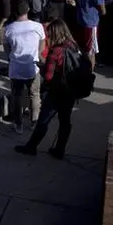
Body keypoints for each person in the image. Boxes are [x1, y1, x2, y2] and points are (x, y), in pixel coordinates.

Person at [14, 20, 80, 159]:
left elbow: (49, 77)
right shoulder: (73, 46)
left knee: (43, 121)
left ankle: (31, 146)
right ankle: (59, 150)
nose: (48, 37)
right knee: (65, 122)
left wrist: (43, 67)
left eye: (49, 34)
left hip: (56, 93)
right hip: (70, 92)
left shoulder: (55, 52)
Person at [4, 0, 45, 134]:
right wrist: (36, 54)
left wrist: (11, 59)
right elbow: (42, 44)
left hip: (16, 67)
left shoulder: (8, 29)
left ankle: (18, 124)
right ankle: (34, 122)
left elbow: (7, 49)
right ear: (28, 10)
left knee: (17, 96)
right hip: (33, 66)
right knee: (34, 95)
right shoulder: (37, 26)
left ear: (15, 12)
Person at [71, 0, 105, 69]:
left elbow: (103, 10)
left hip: (90, 24)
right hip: (80, 22)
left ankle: (90, 74)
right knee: (81, 49)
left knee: (90, 51)